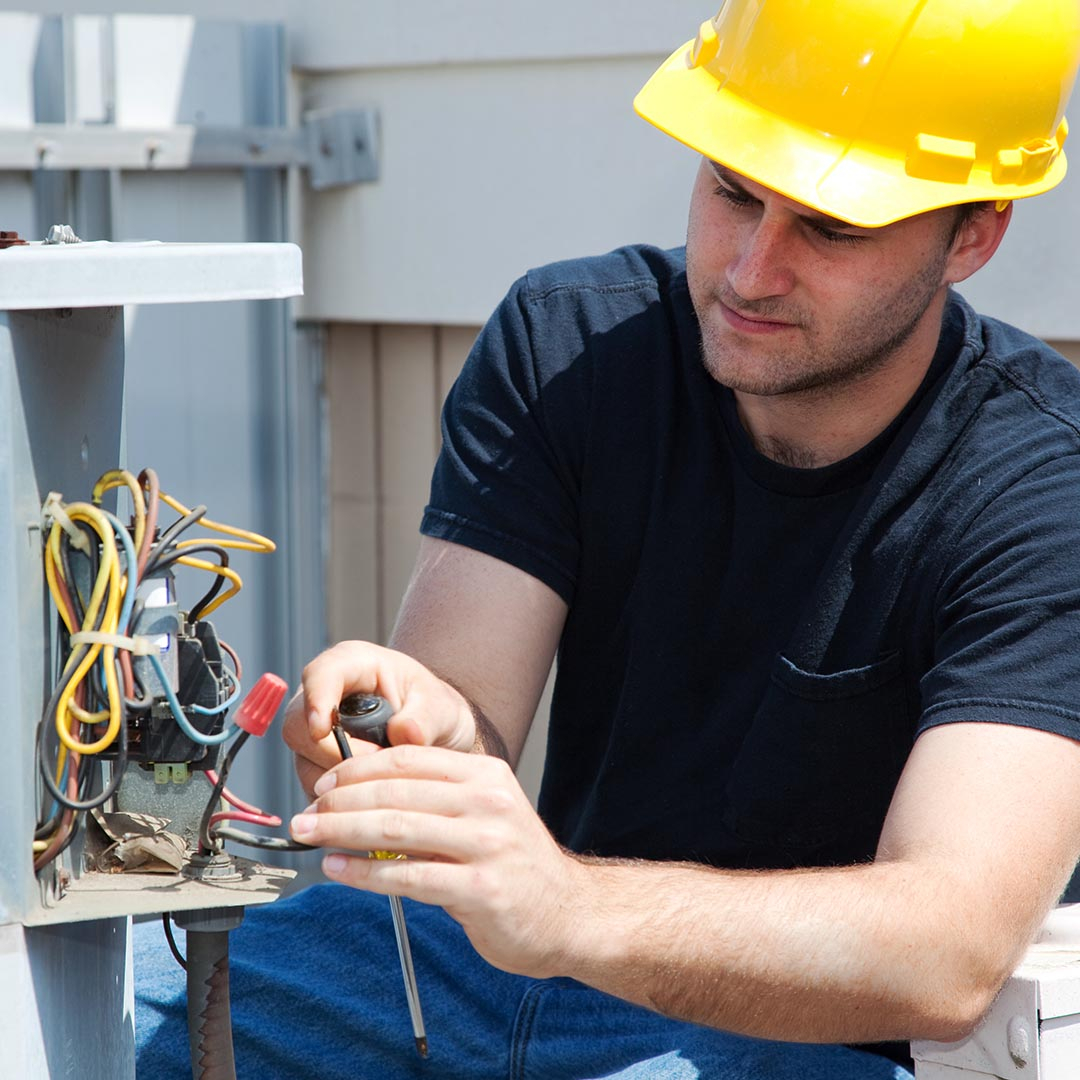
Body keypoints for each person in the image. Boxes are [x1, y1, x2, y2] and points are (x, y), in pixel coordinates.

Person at [136, 1, 1080, 1077]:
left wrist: (566, 905)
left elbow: (949, 946)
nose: (750, 270)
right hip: (495, 969)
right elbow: (467, 723)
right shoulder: (567, 345)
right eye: (732, 190)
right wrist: (422, 727)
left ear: (974, 232)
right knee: (80, 1009)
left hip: (803, 1042)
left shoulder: (1045, 482)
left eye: (832, 227)